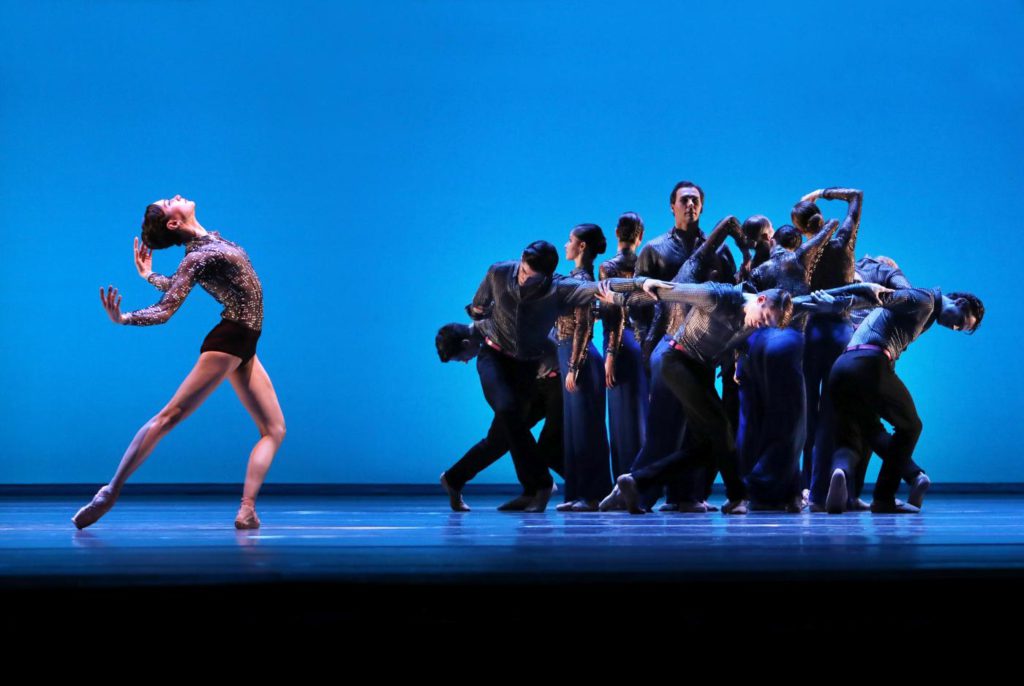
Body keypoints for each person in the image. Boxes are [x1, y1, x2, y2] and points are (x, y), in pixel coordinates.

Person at [73, 195, 285, 530]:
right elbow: (165, 310)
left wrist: (148, 276)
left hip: (246, 343)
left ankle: (247, 510)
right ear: (173, 223)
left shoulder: (205, 245)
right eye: (169, 202)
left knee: (274, 430)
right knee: (169, 417)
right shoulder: (197, 255)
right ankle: (110, 492)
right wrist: (124, 318)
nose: (176, 197)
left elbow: (175, 285)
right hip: (229, 340)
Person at [466, 241, 644, 512]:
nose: (524, 280)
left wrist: (642, 286)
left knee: (516, 426)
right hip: (494, 354)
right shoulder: (499, 272)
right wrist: (482, 316)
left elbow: (599, 290)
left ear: (547, 277)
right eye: (523, 272)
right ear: (520, 260)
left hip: (528, 364)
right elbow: (478, 306)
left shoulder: (558, 287)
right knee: (507, 410)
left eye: (532, 278)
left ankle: (538, 489)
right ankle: (543, 485)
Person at [599, 279, 795, 515]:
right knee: (720, 427)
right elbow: (665, 293)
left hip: (701, 368)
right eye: (763, 319)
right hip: (675, 359)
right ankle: (737, 496)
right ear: (761, 300)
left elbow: (810, 302)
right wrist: (617, 298)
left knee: (707, 446)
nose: (760, 325)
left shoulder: (764, 312)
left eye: (767, 325)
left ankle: (635, 482)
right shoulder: (717, 296)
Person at [824, 288, 984, 514]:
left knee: (863, 432)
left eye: (959, 328)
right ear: (959, 302)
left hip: (841, 367)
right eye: (959, 320)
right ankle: (883, 498)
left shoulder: (926, 312)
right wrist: (836, 299)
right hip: (868, 363)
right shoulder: (925, 301)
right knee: (911, 426)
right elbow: (879, 296)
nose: (954, 327)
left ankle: (840, 471)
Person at [738, 219, 838, 510]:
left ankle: (783, 492)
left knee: (758, 420)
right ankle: (767, 486)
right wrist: (813, 217)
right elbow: (830, 227)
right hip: (788, 342)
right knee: (794, 422)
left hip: (756, 346)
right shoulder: (800, 259)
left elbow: (744, 308)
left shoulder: (758, 270)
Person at [435, 323, 564, 512]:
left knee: (542, 443)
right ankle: (533, 489)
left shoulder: (497, 328)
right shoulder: (487, 346)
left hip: (556, 380)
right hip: (539, 383)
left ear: (466, 343)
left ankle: (583, 491)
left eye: (460, 358)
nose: (465, 362)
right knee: (502, 435)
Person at [790, 187, 864, 509]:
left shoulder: (806, 250)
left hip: (813, 333)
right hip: (841, 333)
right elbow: (857, 196)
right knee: (831, 417)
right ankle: (821, 492)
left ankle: (802, 487)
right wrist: (823, 193)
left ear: (799, 226)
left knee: (806, 413)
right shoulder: (844, 239)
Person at [552, 224, 612, 511]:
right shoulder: (572, 278)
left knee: (588, 429)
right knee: (574, 428)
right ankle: (577, 493)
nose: (566, 245)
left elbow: (584, 325)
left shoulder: (584, 281)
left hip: (581, 358)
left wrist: (575, 365)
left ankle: (593, 494)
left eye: (570, 240)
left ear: (582, 247)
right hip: (567, 354)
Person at [600, 212, 648, 479]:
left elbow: (613, 314)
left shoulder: (608, 267)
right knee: (643, 413)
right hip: (645, 340)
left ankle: (625, 478)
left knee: (622, 417)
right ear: (640, 236)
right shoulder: (647, 263)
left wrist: (609, 352)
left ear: (617, 234)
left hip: (621, 342)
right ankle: (644, 478)